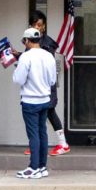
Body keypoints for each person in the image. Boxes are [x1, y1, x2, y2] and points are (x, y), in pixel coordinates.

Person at [10, 12, 70, 155]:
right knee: (42, 114)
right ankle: (36, 145)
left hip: (45, 84)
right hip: (37, 86)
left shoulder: (46, 43)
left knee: (49, 111)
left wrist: (22, 57)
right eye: (36, 24)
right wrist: (18, 55)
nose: (39, 27)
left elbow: (42, 62)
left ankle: (62, 143)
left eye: (41, 25)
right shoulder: (33, 41)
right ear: (30, 25)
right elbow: (31, 59)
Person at [12, 27, 57, 179]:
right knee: (42, 133)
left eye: (23, 40)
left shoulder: (26, 57)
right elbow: (52, 80)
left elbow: (18, 79)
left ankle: (33, 167)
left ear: (26, 41)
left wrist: (17, 67)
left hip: (30, 101)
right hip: (45, 99)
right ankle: (43, 167)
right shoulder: (48, 56)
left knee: (33, 136)